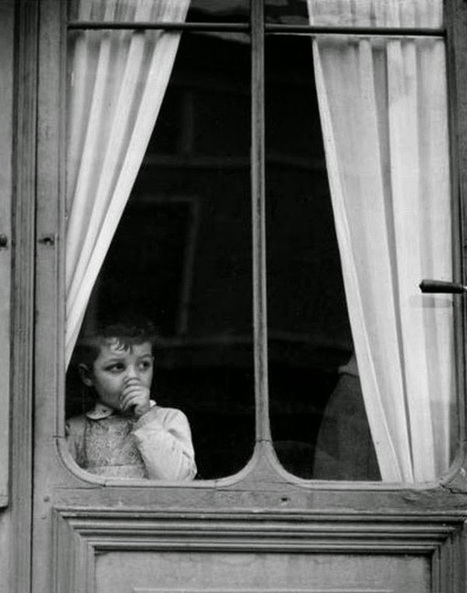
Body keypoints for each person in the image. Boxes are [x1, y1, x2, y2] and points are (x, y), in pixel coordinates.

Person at [66, 319, 197, 481]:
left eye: (144, 365)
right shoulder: (76, 430)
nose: (133, 377)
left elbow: (177, 480)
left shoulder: (169, 419)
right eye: (117, 367)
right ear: (87, 375)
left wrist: (145, 418)